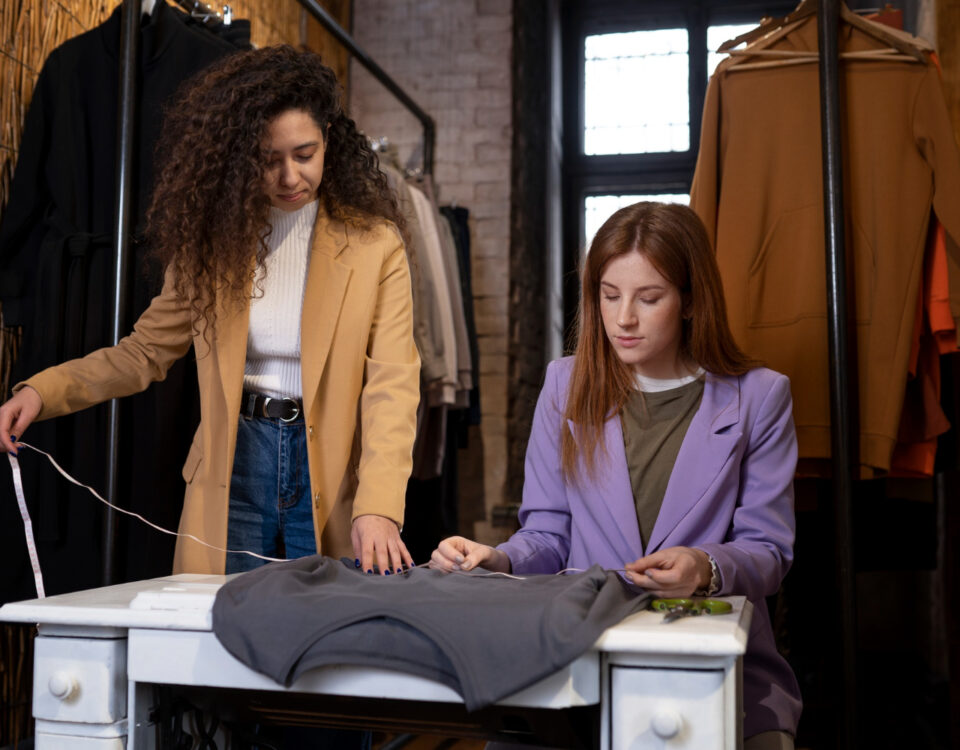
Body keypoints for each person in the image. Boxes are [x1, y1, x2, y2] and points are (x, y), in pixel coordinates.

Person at [0, 45, 419, 579]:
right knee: (220, 637)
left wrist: (379, 502)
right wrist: (42, 391)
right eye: (269, 160)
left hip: (331, 474)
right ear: (239, 156)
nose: (290, 176)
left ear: (330, 142)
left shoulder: (374, 244)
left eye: (304, 154)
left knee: (319, 639)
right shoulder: (211, 245)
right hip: (232, 470)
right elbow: (144, 352)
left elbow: (393, 384)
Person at [432, 202, 802, 749]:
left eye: (648, 298)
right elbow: (547, 536)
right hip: (576, 653)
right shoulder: (564, 384)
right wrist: (499, 558)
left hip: (712, 655)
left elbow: (768, 551)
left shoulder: (758, 397)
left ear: (692, 301)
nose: (623, 318)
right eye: (609, 296)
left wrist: (705, 566)